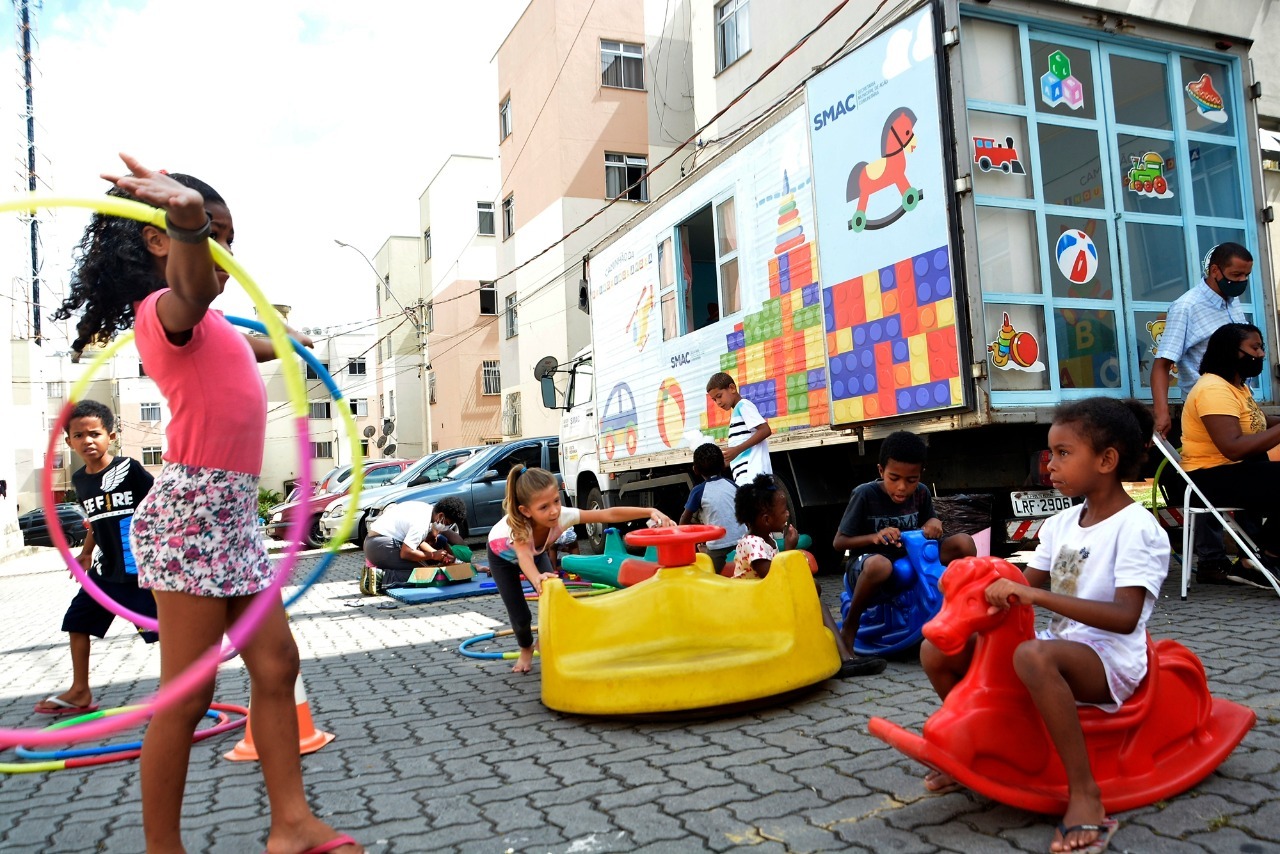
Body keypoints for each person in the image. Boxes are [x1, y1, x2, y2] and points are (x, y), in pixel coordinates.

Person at [54, 156, 360, 854]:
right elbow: (190, 293)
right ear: (160, 240)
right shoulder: (164, 313)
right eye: (212, 238)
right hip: (190, 515)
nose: (224, 256)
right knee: (188, 695)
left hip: (234, 516)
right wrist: (191, 224)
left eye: (226, 240)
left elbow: (243, 345)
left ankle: (291, 825)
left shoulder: (213, 323)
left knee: (277, 666)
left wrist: (286, 342)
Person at [920, 398, 1169, 854]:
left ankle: (1086, 794)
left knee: (1031, 655)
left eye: (1063, 453)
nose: (1049, 464)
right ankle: (983, 746)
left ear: (1106, 460)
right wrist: (973, 580)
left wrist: (1036, 597)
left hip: (1110, 658)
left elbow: (1125, 617)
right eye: (1050, 452)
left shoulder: (1137, 528)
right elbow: (1021, 584)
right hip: (1060, 642)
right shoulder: (1060, 524)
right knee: (938, 650)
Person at [35, 400, 158, 716]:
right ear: (68, 442)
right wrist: (86, 552)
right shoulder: (80, 480)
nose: (87, 441)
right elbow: (96, 519)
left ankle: (183, 685)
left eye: (94, 434)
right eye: (79, 435)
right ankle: (80, 690)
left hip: (137, 571)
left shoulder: (129, 468)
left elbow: (159, 505)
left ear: (111, 436)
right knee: (77, 621)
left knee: (162, 630)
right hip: (104, 573)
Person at [487, 466, 675, 674]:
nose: (554, 510)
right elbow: (524, 557)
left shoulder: (561, 516)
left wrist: (649, 511)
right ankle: (525, 649)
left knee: (555, 599)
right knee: (521, 616)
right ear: (526, 511)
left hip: (535, 554)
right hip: (502, 559)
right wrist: (537, 578)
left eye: (556, 501)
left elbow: (608, 514)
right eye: (544, 507)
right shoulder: (519, 528)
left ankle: (545, 639)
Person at [1151, 243, 1252, 578]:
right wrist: (1162, 413)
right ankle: (1212, 560)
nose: (1241, 282)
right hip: (1205, 408)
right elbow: (1162, 364)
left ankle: (1253, 555)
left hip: (1238, 402)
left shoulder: (1232, 303)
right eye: (1236, 275)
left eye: (1247, 276)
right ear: (1215, 271)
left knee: (1248, 472)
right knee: (1208, 477)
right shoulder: (1187, 306)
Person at [834, 431, 977, 653]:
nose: (902, 487)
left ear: (920, 474)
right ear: (881, 471)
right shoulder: (865, 494)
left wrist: (934, 522)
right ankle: (850, 626)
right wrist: (874, 537)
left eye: (911, 480)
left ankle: (964, 609)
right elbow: (839, 542)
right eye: (894, 478)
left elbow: (929, 521)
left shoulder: (921, 493)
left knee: (964, 543)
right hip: (867, 567)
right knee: (880, 565)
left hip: (910, 560)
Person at [732, 474, 886, 677]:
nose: (788, 514)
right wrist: (789, 549)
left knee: (813, 594)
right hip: (754, 603)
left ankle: (844, 655)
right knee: (816, 603)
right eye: (784, 511)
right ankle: (845, 657)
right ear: (766, 519)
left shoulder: (767, 540)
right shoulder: (752, 543)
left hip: (765, 598)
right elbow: (774, 579)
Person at [1177, 322, 1279, 587]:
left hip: (1236, 471)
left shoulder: (1238, 387)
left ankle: (1256, 557)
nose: (1261, 354)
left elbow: (1261, 422)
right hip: (1209, 478)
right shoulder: (1213, 389)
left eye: (1262, 347)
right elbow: (1233, 448)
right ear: (1230, 351)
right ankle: (1264, 557)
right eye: (1255, 348)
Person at [363, 497, 469, 587]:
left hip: (374, 543)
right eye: (447, 523)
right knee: (424, 574)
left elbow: (419, 543)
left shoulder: (425, 509)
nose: (446, 527)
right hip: (380, 546)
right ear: (441, 516)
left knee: (425, 567)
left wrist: (439, 555)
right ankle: (380, 578)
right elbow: (406, 553)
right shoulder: (422, 523)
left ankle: (380, 573)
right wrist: (433, 555)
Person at [678, 443, 747, 572]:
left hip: (717, 544)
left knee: (709, 574)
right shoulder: (732, 484)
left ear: (695, 470)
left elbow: (684, 519)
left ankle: (705, 552)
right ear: (723, 465)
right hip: (742, 538)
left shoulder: (698, 491)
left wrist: (680, 539)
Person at [706, 371, 772, 485]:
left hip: (753, 475)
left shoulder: (743, 405)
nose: (718, 402)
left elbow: (765, 430)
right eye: (714, 400)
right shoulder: (737, 412)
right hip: (745, 479)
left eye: (719, 396)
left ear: (732, 388)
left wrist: (736, 450)